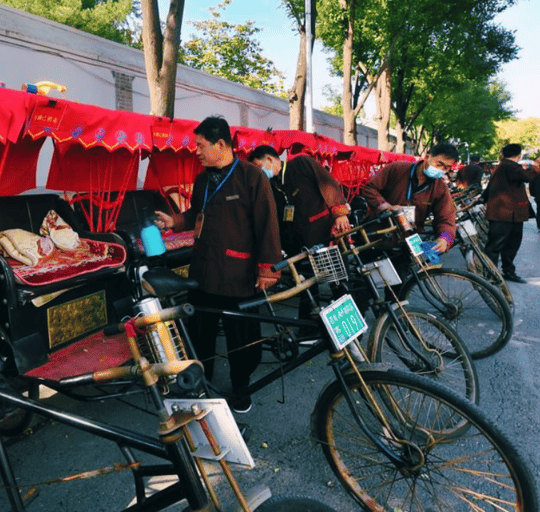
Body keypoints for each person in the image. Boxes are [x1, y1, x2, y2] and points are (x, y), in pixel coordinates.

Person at [154, 116, 282, 414]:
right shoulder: (202, 180)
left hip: (238, 275)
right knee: (200, 334)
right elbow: (197, 214)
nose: (196, 151)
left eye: (201, 145)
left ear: (221, 144)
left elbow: (267, 224)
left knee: (243, 338)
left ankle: (241, 389)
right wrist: (174, 221)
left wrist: (268, 268)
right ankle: (202, 384)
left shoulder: (252, 177)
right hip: (203, 273)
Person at [247, 145, 351, 334]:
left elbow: (328, 185)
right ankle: (309, 330)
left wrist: (339, 214)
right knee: (305, 286)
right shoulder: (271, 185)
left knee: (337, 284)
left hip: (324, 235)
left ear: (270, 160)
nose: (259, 171)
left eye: (258, 165)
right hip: (298, 243)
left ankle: (348, 331)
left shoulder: (301, 163)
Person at [362, 142, 460, 255]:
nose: (442, 170)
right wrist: (385, 206)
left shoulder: (441, 188)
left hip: (407, 241)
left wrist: (445, 239)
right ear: (427, 157)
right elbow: (370, 188)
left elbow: (447, 218)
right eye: (439, 164)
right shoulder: (397, 169)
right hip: (376, 235)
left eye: (446, 168)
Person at [483, 144, 540, 284]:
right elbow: (526, 177)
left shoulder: (503, 166)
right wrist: (536, 167)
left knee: (510, 245)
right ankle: (490, 276)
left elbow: (490, 187)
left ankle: (506, 271)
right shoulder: (509, 166)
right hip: (504, 214)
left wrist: (482, 199)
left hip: (510, 214)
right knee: (496, 246)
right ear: (518, 155)